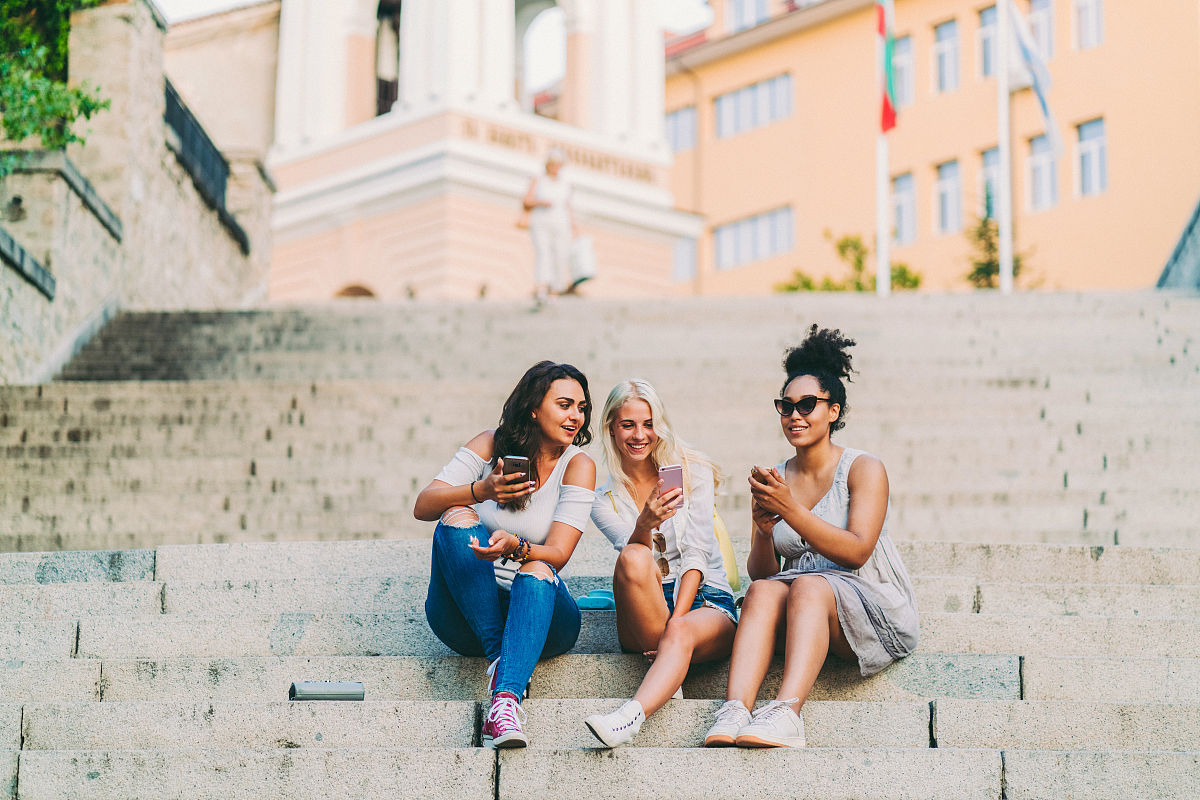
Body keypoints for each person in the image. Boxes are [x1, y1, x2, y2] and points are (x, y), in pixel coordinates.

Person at [703, 325, 918, 748]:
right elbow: (763, 573)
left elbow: (857, 551)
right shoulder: (778, 477)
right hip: (799, 602)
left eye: (807, 405)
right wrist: (764, 534)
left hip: (865, 597)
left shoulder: (863, 468)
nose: (794, 415)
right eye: (786, 406)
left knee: (809, 585)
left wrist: (790, 510)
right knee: (764, 591)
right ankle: (735, 708)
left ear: (833, 411)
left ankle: (787, 712)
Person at [413, 361, 597, 748]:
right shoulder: (489, 444)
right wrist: (481, 491)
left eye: (581, 408)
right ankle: (504, 660)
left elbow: (559, 553)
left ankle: (504, 700)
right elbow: (423, 505)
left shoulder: (577, 466)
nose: (575, 417)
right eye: (565, 405)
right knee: (455, 514)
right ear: (534, 407)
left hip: (540, 616)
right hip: (466, 615)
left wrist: (517, 547)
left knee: (538, 564)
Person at [583, 379, 738, 748]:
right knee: (635, 554)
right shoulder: (602, 499)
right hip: (644, 607)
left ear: (660, 426)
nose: (640, 435)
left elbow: (698, 555)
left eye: (648, 424)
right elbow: (630, 557)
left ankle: (629, 717)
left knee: (680, 632)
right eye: (628, 425)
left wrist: (676, 622)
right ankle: (671, 675)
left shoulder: (690, 472)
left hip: (704, 601)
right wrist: (644, 524)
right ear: (611, 428)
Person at [523, 147, 576, 302]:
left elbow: (568, 206)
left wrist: (574, 228)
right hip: (541, 220)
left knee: (560, 254)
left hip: (560, 222)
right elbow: (527, 200)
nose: (555, 167)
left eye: (558, 164)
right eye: (552, 163)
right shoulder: (538, 180)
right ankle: (542, 286)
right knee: (543, 252)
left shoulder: (565, 183)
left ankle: (555, 288)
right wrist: (541, 202)